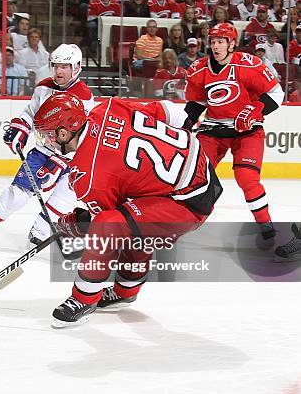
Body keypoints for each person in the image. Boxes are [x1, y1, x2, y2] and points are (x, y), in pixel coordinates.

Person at [31, 95, 221, 328]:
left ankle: (84, 298)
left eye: (48, 135)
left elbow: (104, 224)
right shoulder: (108, 107)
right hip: (200, 163)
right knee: (134, 220)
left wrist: (74, 224)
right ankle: (125, 291)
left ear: (63, 133)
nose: (47, 141)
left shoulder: (86, 177)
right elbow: (170, 111)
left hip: (188, 202)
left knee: (111, 224)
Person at [0, 44, 96, 245]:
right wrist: (21, 127)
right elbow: (30, 113)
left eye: (64, 67)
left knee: (65, 197)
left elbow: (81, 133)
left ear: (76, 68)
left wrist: (64, 158)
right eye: (56, 66)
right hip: (42, 151)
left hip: (71, 158)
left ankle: (40, 232)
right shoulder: (44, 86)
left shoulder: (84, 96)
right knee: (17, 194)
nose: (59, 71)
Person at [184, 23, 285, 239]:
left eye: (221, 41)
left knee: (247, 178)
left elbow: (276, 94)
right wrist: (185, 124)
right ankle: (183, 225)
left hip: (247, 130)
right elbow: (195, 104)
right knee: (197, 177)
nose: (216, 46)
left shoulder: (249, 64)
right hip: (213, 130)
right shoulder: (199, 69)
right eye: (213, 42)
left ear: (232, 44)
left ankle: (266, 226)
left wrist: (255, 109)